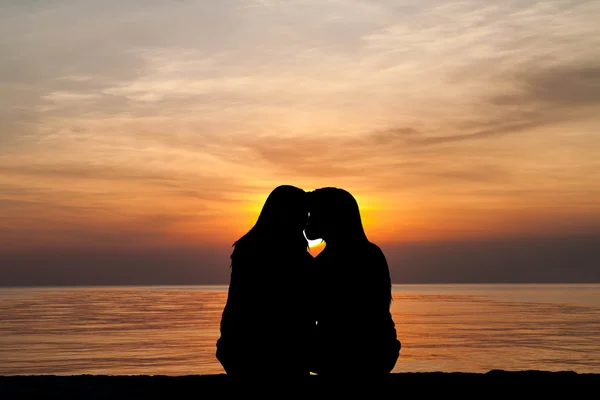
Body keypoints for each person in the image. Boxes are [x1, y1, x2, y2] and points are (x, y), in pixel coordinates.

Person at [216, 185, 314, 387]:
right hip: (264, 351)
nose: (306, 219)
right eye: (303, 213)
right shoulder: (290, 255)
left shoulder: (248, 246)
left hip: (239, 349)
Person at [306, 187, 400, 384]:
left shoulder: (325, 262)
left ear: (330, 216)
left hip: (343, 356)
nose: (308, 219)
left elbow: (312, 312)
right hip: (380, 354)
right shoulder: (372, 253)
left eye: (313, 213)